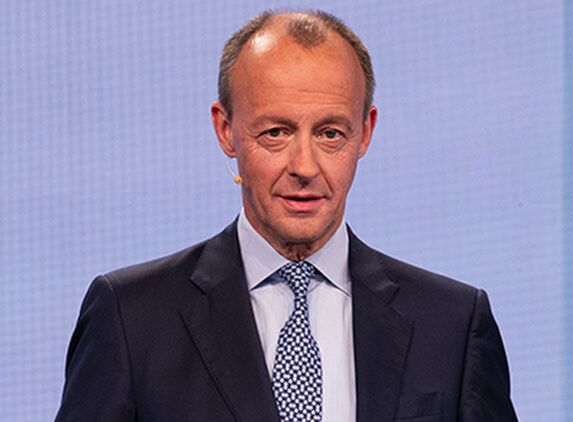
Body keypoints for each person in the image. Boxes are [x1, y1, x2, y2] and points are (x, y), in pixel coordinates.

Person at [55, 9, 518, 422]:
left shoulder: (452, 325)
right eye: (276, 132)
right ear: (226, 130)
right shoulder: (131, 319)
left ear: (365, 132)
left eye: (330, 133)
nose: (304, 166)